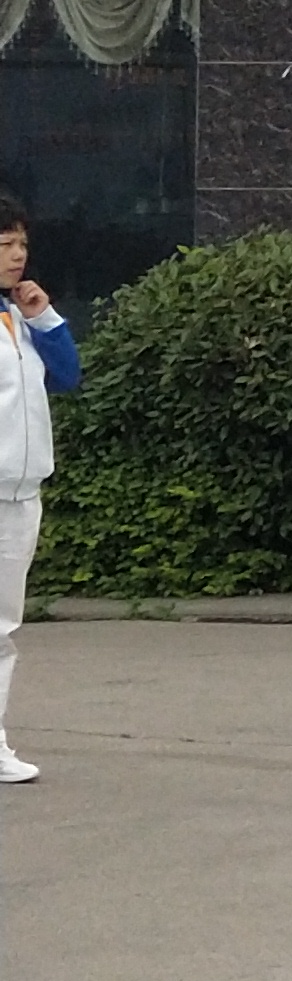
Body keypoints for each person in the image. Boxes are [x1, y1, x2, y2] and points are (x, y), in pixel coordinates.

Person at [0, 196, 74, 784]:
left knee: (2, 628)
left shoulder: (20, 314)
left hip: (22, 495)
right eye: (5, 245)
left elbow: (68, 376)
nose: (18, 255)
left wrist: (45, 317)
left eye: (22, 244)